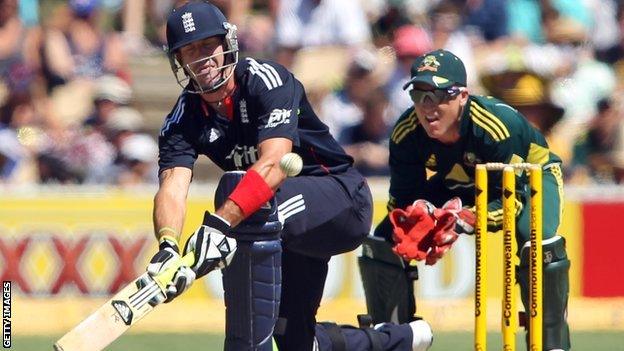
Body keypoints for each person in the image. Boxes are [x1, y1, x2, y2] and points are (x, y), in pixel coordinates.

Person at [147, 2, 433, 351]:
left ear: (227, 44)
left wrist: (219, 226)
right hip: (284, 229)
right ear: (178, 60)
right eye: (190, 50)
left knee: (244, 201)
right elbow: (173, 184)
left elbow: (273, 163)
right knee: (296, 340)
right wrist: (167, 245)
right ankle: (400, 338)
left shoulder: (267, 80)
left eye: (209, 45)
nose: (202, 58)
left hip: (342, 199)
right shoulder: (182, 117)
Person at [359, 49, 571, 350]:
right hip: (459, 180)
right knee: (382, 242)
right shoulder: (406, 132)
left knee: (535, 239)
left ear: (462, 96)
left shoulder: (495, 127)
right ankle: (392, 338)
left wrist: (462, 220)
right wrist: (414, 217)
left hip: (531, 177)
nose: (428, 107)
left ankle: (553, 343)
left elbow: (512, 201)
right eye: (419, 95)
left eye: (439, 95)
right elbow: (402, 200)